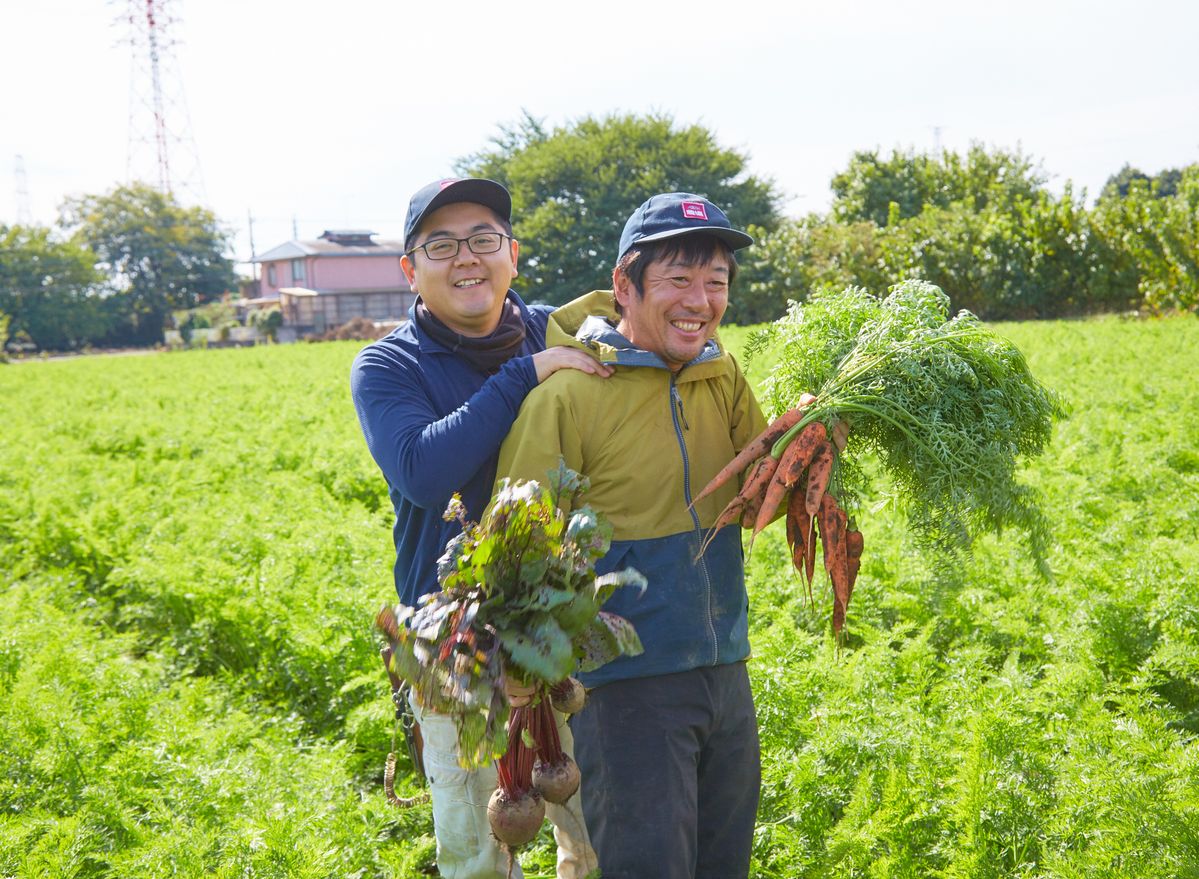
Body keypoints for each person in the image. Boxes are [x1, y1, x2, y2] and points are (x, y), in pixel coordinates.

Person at [495, 192, 770, 878]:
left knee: (723, 863)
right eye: (678, 280)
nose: (699, 300)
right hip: (622, 686)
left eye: (715, 283)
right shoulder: (567, 394)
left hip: (722, 664)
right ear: (625, 285)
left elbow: (763, 496)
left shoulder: (722, 373)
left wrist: (815, 432)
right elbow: (513, 546)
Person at [350, 177, 608, 879]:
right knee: (475, 853)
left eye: (483, 239)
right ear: (410, 268)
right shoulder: (386, 364)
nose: (466, 257)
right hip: (452, 643)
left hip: (561, 624)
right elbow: (424, 472)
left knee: (594, 835)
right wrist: (525, 374)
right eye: (441, 244)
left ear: (513, 254)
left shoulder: (555, 326)